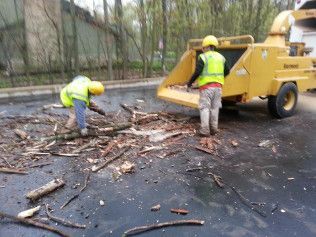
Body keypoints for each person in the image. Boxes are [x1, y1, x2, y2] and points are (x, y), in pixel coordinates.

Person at [187, 35, 230, 136]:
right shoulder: (221, 57)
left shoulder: (203, 57)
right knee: (215, 108)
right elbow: (227, 71)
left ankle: (205, 130)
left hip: (206, 88)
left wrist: (189, 83)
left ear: (206, 46)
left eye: (203, 47)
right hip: (218, 87)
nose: (202, 49)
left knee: (205, 108)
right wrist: (218, 78)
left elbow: (197, 71)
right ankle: (214, 129)